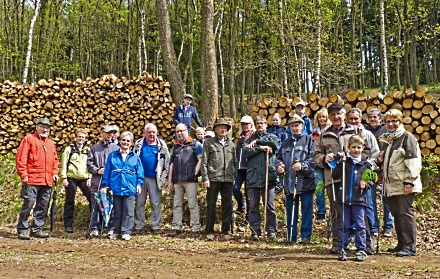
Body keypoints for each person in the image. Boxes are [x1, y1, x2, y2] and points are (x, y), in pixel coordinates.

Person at [376, 109, 422, 257]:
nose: (391, 124)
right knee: (397, 214)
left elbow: (414, 162)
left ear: (400, 122)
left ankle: (410, 246)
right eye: (388, 121)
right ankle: (402, 244)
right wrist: (379, 160)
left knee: (405, 214)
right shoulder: (389, 140)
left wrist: (409, 181)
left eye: (394, 121)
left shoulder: (407, 138)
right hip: (391, 185)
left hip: (404, 184)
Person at [313, 103, 356, 254]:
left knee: (356, 210)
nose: (336, 117)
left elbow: (365, 152)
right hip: (332, 179)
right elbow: (316, 155)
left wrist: (351, 157)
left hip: (352, 178)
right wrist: (325, 159)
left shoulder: (354, 131)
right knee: (336, 211)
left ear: (344, 114)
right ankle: (338, 242)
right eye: (333, 115)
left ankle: (359, 243)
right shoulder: (324, 134)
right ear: (329, 117)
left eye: (339, 114)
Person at [16, 117, 59, 240]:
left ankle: (36, 229)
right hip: (32, 180)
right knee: (28, 205)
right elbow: (21, 158)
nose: (45, 129)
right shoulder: (29, 139)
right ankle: (23, 229)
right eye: (42, 126)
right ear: (37, 127)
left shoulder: (51, 144)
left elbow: (55, 160)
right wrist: (23, 175)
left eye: (47, 127)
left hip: (47, 180)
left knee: (43, 206)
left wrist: (55, 173)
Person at [332, 135, 374, 261]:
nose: (356, 150)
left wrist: (366, 184)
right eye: (353, 147)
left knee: (360, 225)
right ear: (348, 148)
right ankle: (343, 249)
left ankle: (361, 249)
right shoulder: (345, 162)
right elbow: (335, 175)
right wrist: (340, 163)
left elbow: (372, 180)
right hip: (344, 199)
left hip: (359, 200)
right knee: (344, 225)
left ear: (363, 148)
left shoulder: (366, 164)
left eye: (359, 147)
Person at [276, 115, 316, 245]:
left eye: (297, 125)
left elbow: (313, 159)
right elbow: (278, 158)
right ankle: (291, 236)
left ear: (302, 126)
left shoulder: (309, 140)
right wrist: (279, 166)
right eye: (292, 125)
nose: (294, 128)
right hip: (290, 182)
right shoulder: (286, 142)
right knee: (291, 210)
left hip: (305, 182)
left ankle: (305, 237)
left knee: (306, 210)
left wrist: (302, 166)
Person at [346, 108, 379, 255]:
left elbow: (375, 154)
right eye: (351, 118)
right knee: (350, 209)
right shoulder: (345, 134)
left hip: (365, 174)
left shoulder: (368, 135)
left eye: (356, 118)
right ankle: (353, 237)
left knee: (368, 207)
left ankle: (369, 236)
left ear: (361, 119)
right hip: (349, 178)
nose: (353, 121)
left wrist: (366, 168)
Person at [102, 131, 144, 241]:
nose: (125, 142)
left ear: (131, 143)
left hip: (130, 187)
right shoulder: (113, 156)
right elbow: (107, 171)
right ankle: (116, 230)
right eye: (123, 140)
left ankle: (126, 231)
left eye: (128, 141)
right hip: (115, 187)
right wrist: (106, 184)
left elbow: (140, 172)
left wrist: (139, 184)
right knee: (117, 211)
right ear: (120, 141)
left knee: (128, 211)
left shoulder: (135, 157)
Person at [243, 116, 278, 240]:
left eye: (262, 123)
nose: (260, 125)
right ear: (254, 125)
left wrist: (258, 142)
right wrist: (260, 148)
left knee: (269, 205)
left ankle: (271, 231)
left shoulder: (272, 136)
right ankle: (255, 231)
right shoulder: (248, 139)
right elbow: (245, 152)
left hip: (268, 177)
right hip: (253, 177)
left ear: (266, 125)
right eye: (257, 123)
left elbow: (274, 144)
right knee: (253, 206)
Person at [201, 118, 237, 241]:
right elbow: (204, 162)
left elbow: (234, 162)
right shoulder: (209, 143)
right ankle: (209, 231)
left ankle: (225, 231)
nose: (223, 130)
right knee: (211, 205)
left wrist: (233, 176)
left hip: (227, 179)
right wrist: (205, 178)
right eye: (221, 127)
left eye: (225, 128)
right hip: (213, 179)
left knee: (227, 206)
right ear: (215, 129)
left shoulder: (231, 144)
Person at [133, 123, 170, 235]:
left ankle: (156, 226)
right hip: (140, 178)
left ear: (157, 133)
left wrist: (163, 178)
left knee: (155, 202)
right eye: (149, 132)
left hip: (155, 179)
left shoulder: (161, 145)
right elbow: (133, 160)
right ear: (145, 133)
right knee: (139, 202)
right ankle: (139, 225)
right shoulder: (139, 144)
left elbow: (167, 162)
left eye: (153, 132)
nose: (151, 134)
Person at [168, 123, 203, 237]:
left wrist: (195, 172)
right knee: (176, 204)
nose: (180, 133)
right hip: (177, 180)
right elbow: (171, 164)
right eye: (177, 131)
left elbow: (200, 159)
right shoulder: (175, 146)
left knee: (192, 204)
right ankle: (177, 227)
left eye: (182, 131)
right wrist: (169, 181)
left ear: (187, 130)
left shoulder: (195, 144)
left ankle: (195, 228)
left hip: (190, 180)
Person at [365, 108, 394, 238]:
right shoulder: (365, 131)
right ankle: (374, 226)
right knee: (370, 199)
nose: (372, 119)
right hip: (371, 167)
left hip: (384, 167)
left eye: (375, 117)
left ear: (380, 118)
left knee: (386, 198)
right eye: (370, 117)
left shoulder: (386, 130)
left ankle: (388, 226)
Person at [87, 125, 120, 237]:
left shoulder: (116, 148)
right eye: (108, 133)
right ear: (102, 133)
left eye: (112, 133)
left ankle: (111, 227)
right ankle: (95, 228)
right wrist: (97, 170)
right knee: (96, 206)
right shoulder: (94, 148)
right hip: (98, 181)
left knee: (112, 206)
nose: (110, 135)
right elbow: (89, 164)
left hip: (111, 182)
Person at [59, 128, 92, 233]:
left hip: (84, 178)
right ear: (76, 137)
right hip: (71, 177)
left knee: (92, 199)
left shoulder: (88, 150)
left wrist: (90, 177)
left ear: (85, 139)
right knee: (69, 201)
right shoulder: (69, 149)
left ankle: (93, 223)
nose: (81, 139)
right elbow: (64, 164)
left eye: (83, 137)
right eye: (79, 136)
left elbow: (90, 165)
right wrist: (63, 178)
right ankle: (68, 225)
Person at [312, 108, 331, 223]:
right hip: (317, 164)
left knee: (331, 188)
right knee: (319, 188)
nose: (322, 119)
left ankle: (333, 212)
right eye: (320, 117)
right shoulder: (314, 132)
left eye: (324, 116)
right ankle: (321, 212)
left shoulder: (330, 130)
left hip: (329, 163)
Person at [233, 115, 255, 215]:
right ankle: (241, 205)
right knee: (235, 188)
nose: (245, 126)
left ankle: (249, 215)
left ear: (251, 124)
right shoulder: (240, 137)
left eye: (247, 124)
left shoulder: (254, 136)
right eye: (243, 124)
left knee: (248, 192)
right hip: (239, 168)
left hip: (249, 168)